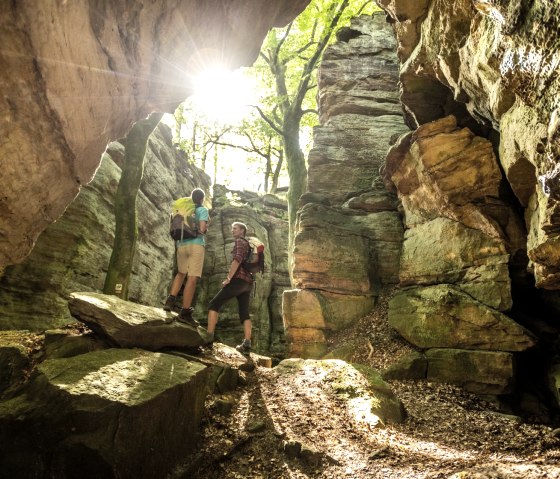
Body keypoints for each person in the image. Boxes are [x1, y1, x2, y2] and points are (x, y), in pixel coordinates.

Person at [206, 221, 254, 355]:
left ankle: (208, 338)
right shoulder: (249, 245)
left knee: (213, 304)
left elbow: (237, 259)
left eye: (235, 228)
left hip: (238, 280)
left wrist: (228, 278)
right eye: (232, 228)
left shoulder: (239, 241)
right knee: (244, 313)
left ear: (242, 231)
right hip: (248, 283)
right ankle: (247, 343)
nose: (232, 230)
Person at [163, 188, 209, 326]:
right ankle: (185, 312)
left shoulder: (184, 209)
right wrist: (206, 226)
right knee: (193, 277)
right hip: (196, 245)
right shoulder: (202, 209)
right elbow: (202, 229)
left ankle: (170, 301)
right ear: (201, 199)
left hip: (181, 245)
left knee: (181, 273)